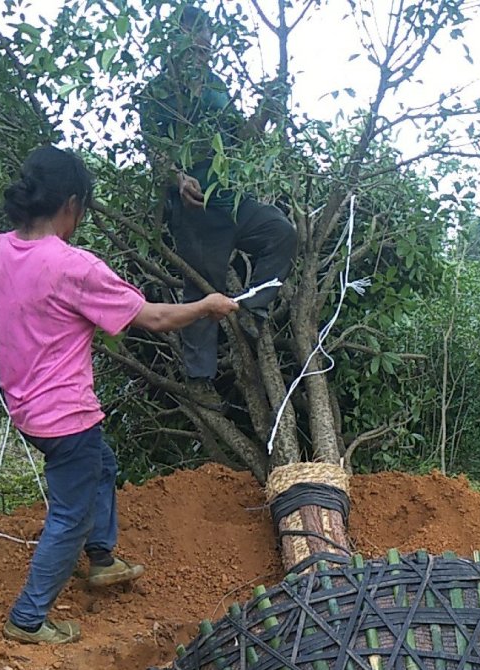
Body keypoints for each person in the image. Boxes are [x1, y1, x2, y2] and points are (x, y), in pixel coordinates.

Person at [0, 144, 237, 646]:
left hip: (25, 408)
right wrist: (205, 306)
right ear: (71, 204)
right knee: (70, 513)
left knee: (101, 466)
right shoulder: (73, 266)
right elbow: (151, 318)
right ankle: (28, 618)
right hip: (66, 417)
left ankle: (103, 558)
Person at [141, 4, 297, 402]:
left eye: (206, 46)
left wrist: (265, 112)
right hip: (194, 212)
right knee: (200, 288)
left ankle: (254, 309)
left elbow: (239, 138)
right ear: (173, 44)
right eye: (194, 45)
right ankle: (199, 379)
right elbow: (155, 153)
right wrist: (177, 178)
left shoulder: (216, 87)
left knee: (280, 232)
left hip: (230, 199)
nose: (202, 53)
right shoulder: (156, 94)